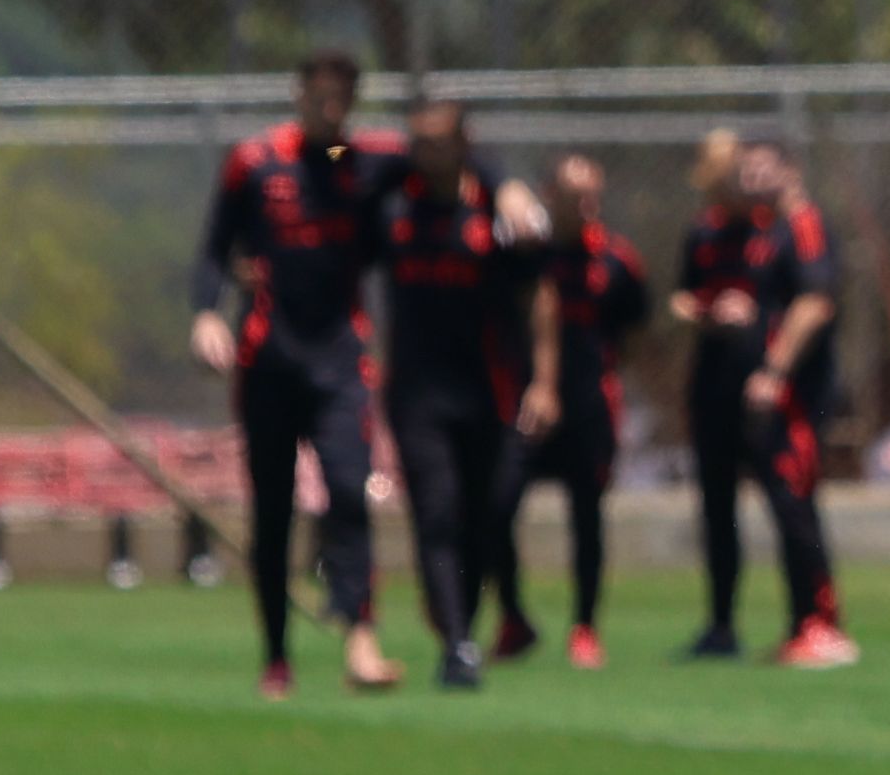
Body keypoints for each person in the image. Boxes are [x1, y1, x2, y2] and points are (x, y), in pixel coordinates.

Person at [190, 49, 404, 699]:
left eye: (341, 98)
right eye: (319, 95)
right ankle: (276, 656)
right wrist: (206, 313)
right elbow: (213, 248)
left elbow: (440, 157)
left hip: (340, 359)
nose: (329, 109)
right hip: (268, 361)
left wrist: (502, 185)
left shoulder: (355, 164)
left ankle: (360, 636)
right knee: (274, 512)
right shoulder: (256, 162)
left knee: (348, 489)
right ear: (300, 94)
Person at [375, 100, 553, 691]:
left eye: (440, 142)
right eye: (418, 142)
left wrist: (546, 382)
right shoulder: (393, 197)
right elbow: (331, 153)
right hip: (417, 395)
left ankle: (466, 627)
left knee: (488, 515)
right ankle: (456, 642)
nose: (428, 154)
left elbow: (540, 295)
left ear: (464, 143)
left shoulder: (497, 213)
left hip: (489, 392)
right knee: (436, 514)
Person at [672, 136, 858, 669]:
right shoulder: (746, 229)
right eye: (745, 170)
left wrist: (774, 370)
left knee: (792, 501)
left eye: (762, 169)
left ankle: (820, 624)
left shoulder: (803, 224)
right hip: (731, 391)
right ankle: (745, 625)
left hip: (792, 396)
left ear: (789, 170)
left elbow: (815, 302)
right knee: (729, 506)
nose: (752, 179)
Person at [488, 156, 649, 670]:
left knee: (586, 515)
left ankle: (585, 626)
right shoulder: (522, 255)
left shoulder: (617, 260)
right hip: (524, 406)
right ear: (548, 195)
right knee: (497, 508)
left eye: (593, 196)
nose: (586, 207)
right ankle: (512, 617)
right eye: (575, 195)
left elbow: (634, 329)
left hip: (589, 408)